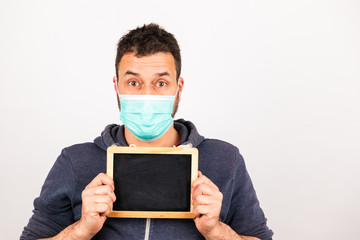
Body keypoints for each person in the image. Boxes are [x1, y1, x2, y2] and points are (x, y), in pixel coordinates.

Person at [21, 23, 273, 240]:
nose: (147, 95)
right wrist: (81, 230)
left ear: (179, 88)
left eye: (161, 83)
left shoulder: (227, 160)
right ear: (116, 87)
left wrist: (216, 231)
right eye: (133, 83)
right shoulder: (75, 161)